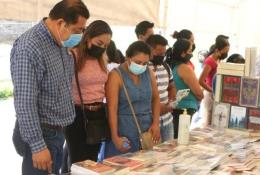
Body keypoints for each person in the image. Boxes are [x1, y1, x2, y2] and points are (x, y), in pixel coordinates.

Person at [10, 1, 89, 174]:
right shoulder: (30, 47)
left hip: (57, 132)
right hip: (41, 134)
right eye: (77, 30)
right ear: (61, 23)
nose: (80, 35)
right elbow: (25, 102)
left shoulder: (60, 42)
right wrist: (38, 146)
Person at [65, 20, 112, 167]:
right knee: (78, 162)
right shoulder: (72, 56)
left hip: (98, 115)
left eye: (105, 45)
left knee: (92, 161)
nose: (102, 48)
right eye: (99, 43)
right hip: (77, 114)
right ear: (88, 37)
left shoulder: (102, 59)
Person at [104, 41, 161, 157]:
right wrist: (115, 136)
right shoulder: (115, 75)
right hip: (124, 130)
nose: (141, 66)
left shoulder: (148, 72)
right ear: (127, 57)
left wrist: (156, 123)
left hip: (147, 129)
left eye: (145, 63)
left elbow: (156, 99)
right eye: (138, 62)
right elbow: (112, 108)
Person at [146, 34, 176, 142]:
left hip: (167, 120)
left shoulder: (166, 67)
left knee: (169, 153)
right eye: (159, 52)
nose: (162, 55)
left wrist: (171, 103)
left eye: (164, 52)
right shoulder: (143, 68)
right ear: (149, 49)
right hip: (150, 122)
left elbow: (172, 87)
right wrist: (157, 108)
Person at [171, 39, 203, 138]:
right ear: (182, 53)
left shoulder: (173, 66)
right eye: (189, 51)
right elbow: (198, 93)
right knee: (181, 137)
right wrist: (200, 97)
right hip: (184, 109)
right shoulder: (184, 68)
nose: (191, 54)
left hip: (176, 107)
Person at [199, 37, 230, 127]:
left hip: (215, 93)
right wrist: (212, 91)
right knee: (208, 122)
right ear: (218, 50)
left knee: (215, 122)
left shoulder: (218, 60)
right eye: (225, 51)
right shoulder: (210, 61)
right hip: (210, 93)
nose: (226, 53)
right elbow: (201, 81)